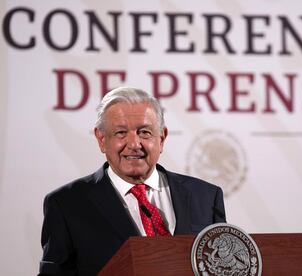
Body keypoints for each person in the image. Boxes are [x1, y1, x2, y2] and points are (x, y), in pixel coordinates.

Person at [38, 87, 226, 276]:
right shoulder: (66, 204)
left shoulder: (206, 196)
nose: (134, 144)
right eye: (121, 133)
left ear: (162, 138)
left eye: (144, 132)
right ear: (101, 139)